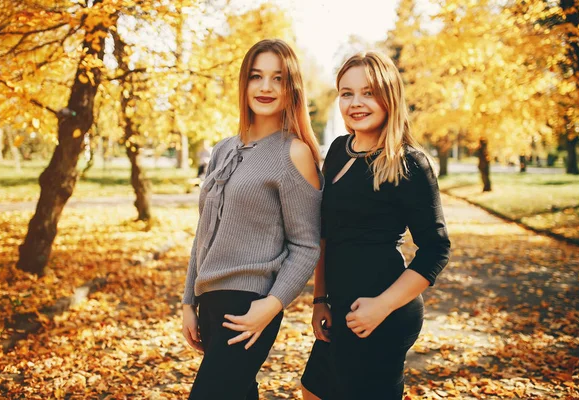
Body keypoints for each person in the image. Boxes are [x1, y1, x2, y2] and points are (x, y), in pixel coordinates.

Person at [300, 51, 451, 400]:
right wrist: (320, 299)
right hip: (339, 309)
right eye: (347, 93)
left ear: (389, 96)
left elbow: (436, 249)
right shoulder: (339, 149)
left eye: (368, 92)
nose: (356, 103)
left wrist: (381, 306)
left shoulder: (409, 163)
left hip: (382, 313)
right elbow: (327, 234)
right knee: (313, 391)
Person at [181, 39, 323, 400]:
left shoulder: (294, 152)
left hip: (250, 304)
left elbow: (306, 245)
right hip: (209, 302)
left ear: (291, 88)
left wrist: (271, 304)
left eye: (278, 78)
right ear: (244, 83)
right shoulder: (224, 149)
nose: (265, 87)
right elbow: (204, 233)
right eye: (257, 76)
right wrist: (187, 302)